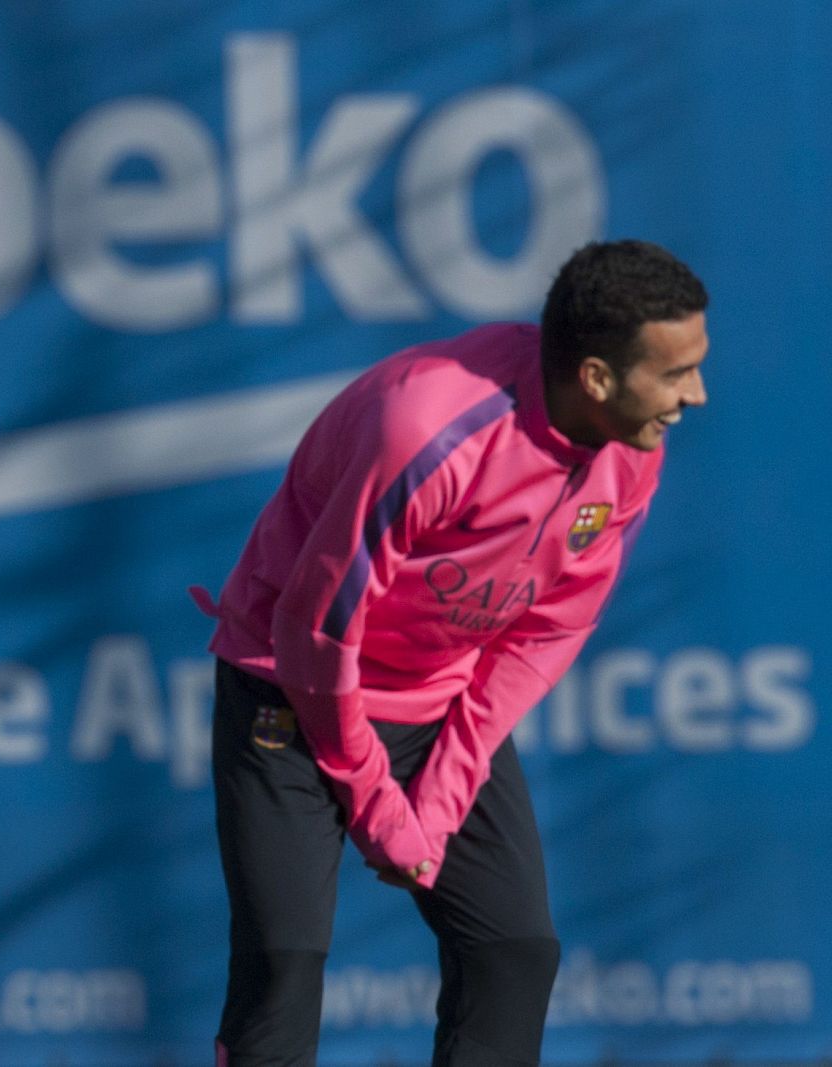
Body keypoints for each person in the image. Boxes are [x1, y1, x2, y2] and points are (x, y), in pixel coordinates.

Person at [194, 240, 709, 1067]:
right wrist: (381, 807)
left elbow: (547, 630)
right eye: (676, 373)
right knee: (282, 969)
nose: (696, 395)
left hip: (434, 704)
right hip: (291, 693)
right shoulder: (429, 433)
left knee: (514, 949)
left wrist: (441, 793)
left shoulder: (632, 454)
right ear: (597, 377)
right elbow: (315, 634)